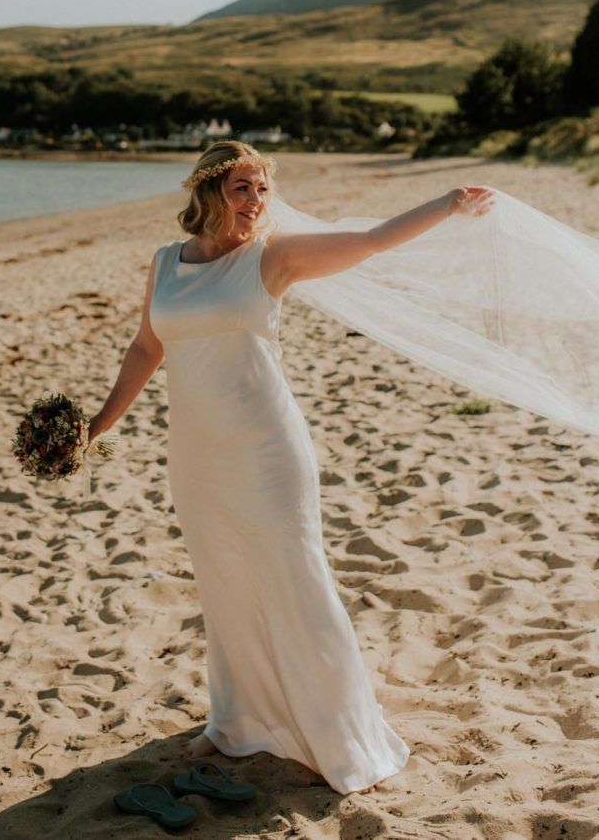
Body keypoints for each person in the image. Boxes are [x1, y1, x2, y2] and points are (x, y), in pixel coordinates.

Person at [87, 140, 492, 794]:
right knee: (225, 580)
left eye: (263, 189)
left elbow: (370, 240)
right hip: (195, 454)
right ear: (209, 192)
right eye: (243, 188)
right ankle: (238, 720)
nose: (256, 202)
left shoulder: (272, 258)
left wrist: (445, 204)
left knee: (292, 576)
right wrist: (98, 424)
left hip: (265, 447)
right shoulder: (166, 263)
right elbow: (146, 346)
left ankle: (332, 729)